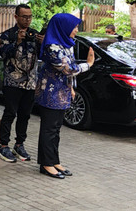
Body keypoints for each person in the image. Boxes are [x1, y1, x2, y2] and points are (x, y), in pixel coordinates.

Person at [35, 13, 94, 179]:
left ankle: (54, 161)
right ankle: (46, 164)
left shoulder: (66, 45)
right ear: (63, 27)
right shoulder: (52, 47)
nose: (76, 30)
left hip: (62, 92)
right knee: (49, 129)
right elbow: (69, 69)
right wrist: (88, 65)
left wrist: (71, 88)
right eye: (74, 27)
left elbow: (68, 73)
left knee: (56, 129)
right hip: (50, 93)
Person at [0, 4, 43, 163]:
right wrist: (16, 41)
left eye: (30, 16)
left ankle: (19, 144)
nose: (27, 20)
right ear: (16, 17)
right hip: (12, 82)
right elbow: (3, 54)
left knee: (25, 115)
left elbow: (44, 55)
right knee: (10, 113)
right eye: (24, 16)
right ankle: (3, 146)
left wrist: (43, 43)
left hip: (30, 83)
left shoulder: (34, 35)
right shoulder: (8, 34)